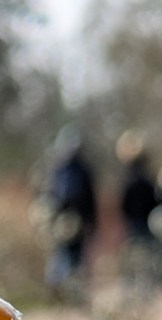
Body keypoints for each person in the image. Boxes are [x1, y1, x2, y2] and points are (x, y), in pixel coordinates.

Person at [42, 125, 98, 303]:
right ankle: (68, 292)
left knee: (70, 255)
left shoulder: (60, 168)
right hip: (70, 220)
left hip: (70, 220)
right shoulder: (71, 169)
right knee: (70, 256)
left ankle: (71, 293)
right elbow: (88, 197)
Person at [116, 132, 161, 295]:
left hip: (136, 223)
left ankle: (133, 289)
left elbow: (123, 203)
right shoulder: (144, 179)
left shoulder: (128, 179)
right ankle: (140, 289)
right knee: (142, 257)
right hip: (141, 222)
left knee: (138, 257)